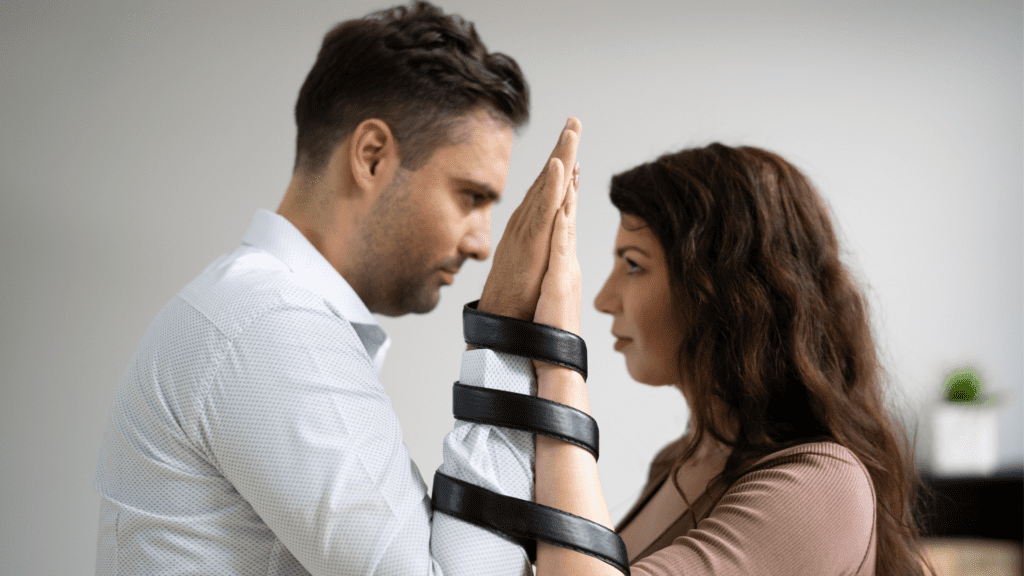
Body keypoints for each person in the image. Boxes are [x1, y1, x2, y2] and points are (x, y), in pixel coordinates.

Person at [93, 2, 584, 574]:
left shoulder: (257, 315)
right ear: (372, 156)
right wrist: (505, 338)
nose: (482, 243)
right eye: (471, 197)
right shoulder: (270, 324)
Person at [527, 143, 938, 575]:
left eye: (633, 265)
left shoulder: (822, 485)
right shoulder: (679, 461)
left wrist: (557, 361)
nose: (602, 299)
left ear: (720, 289)